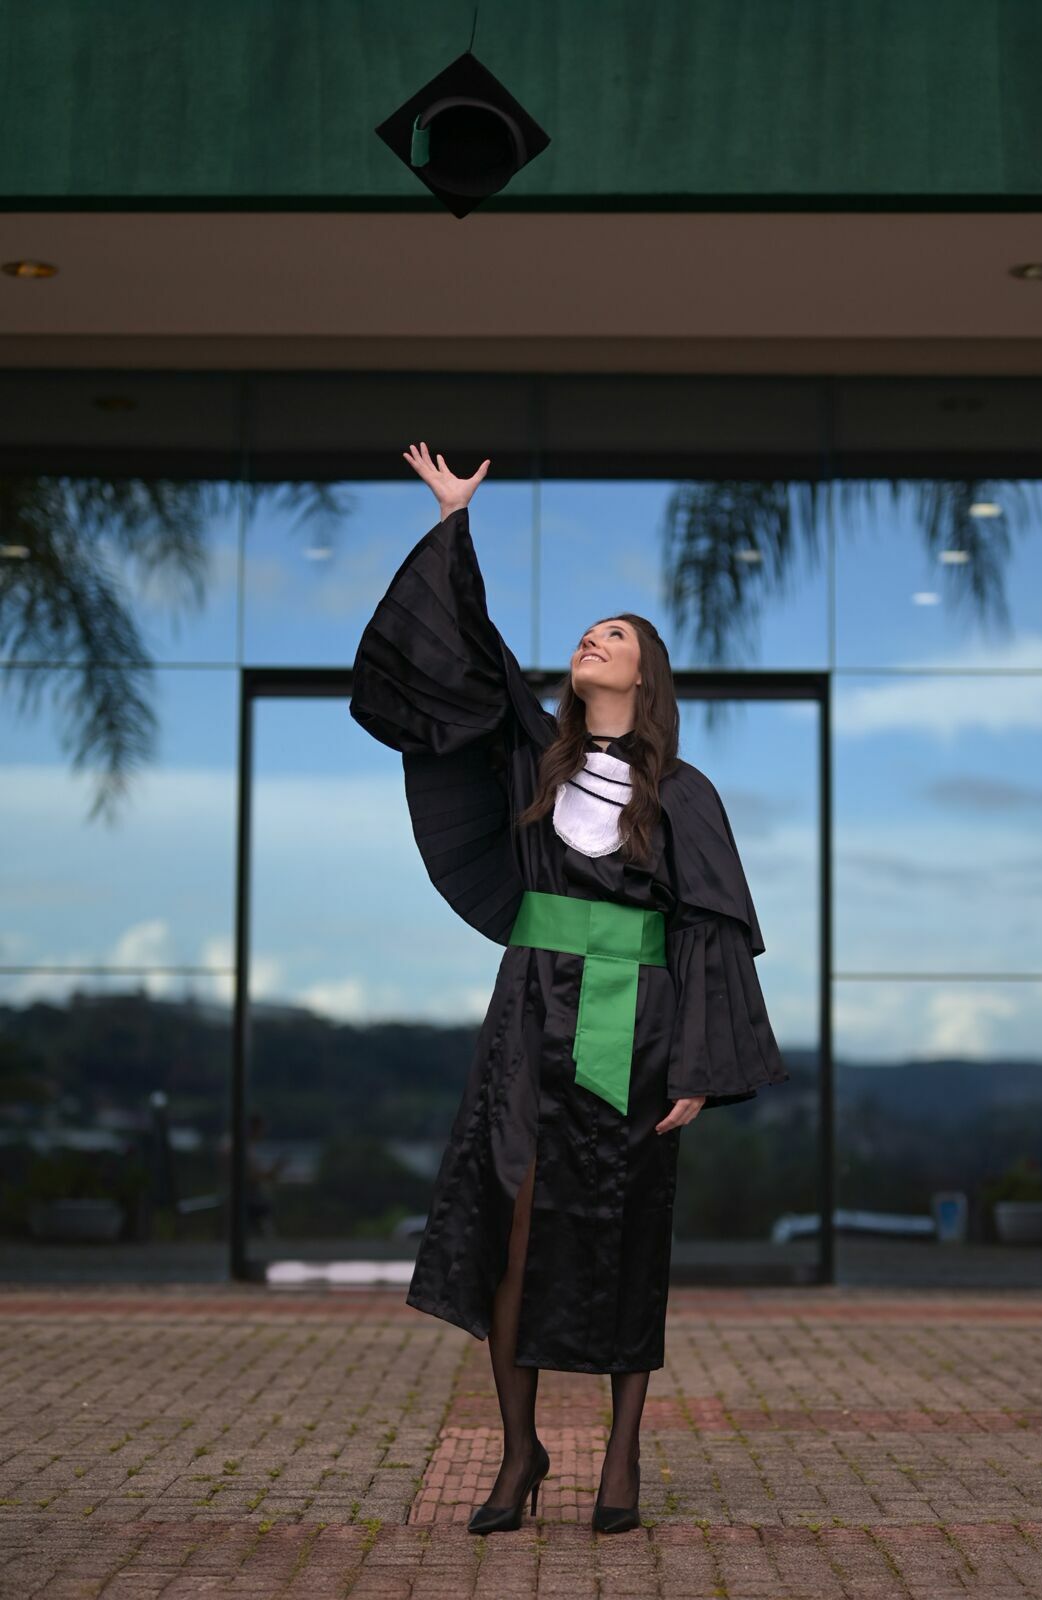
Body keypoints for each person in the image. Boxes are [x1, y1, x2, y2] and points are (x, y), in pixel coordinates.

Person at [349, 442, 789, 1535]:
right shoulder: (531, 764)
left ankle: (622, 1460)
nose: (597, 639)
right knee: (512, 1223)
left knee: (627, 1233)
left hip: (628, 1025)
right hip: (528, 1016)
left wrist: (696, 1063)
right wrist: (455, 524)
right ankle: (519, 1453)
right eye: (591, 632)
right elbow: (464, 662)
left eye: (620, 636)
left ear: (645, 676)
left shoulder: (680, 793)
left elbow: (710, 930)